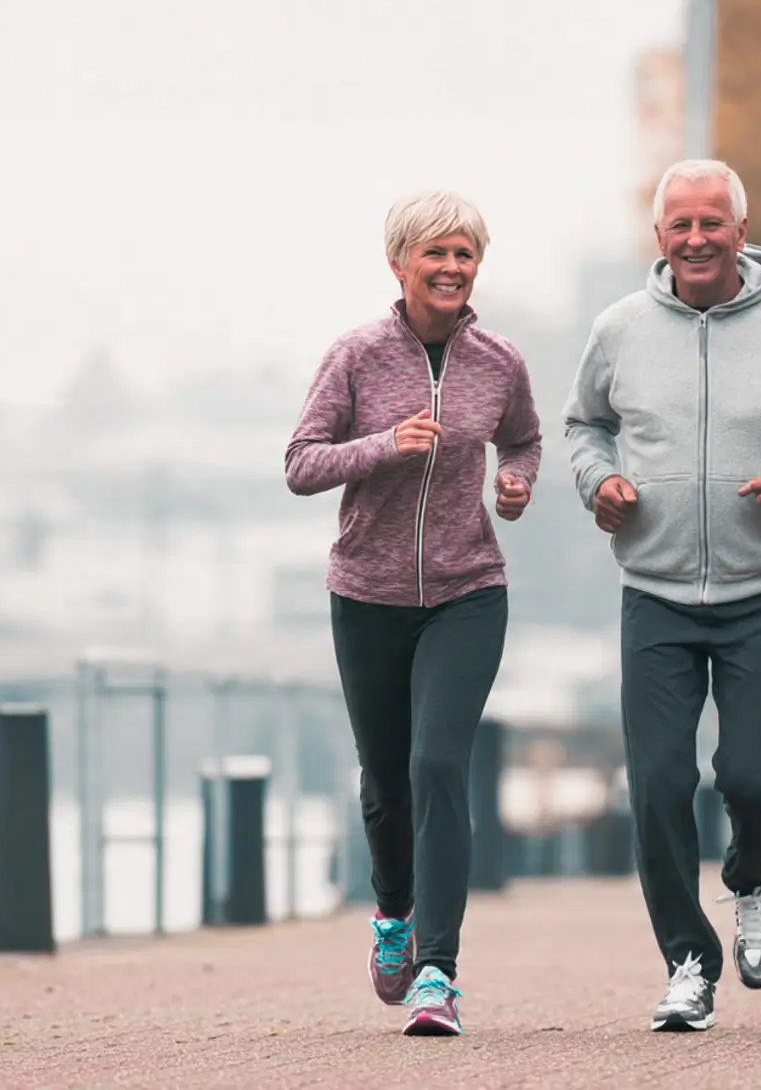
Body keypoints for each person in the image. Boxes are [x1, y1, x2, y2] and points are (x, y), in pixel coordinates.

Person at [563, 158, 761, 1032]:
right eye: (683, 226)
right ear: (661, 237)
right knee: (660, 783)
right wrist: (599, 482)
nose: (698, 239)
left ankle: (754, 883)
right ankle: (686, 960)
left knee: (748, 777)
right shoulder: (621, 329)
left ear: (742, 232)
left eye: (714, 223)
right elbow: (583, 424)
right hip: (657, 591)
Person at [285, 189, 542, 1037]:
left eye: (465, 255)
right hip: (367, 594)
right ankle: (392, 914)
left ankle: (438, 973)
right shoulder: (357, 356)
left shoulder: (498, 360)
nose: (452, 269)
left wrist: (515, 484)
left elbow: (525, 437)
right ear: (400, 264)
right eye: (436, 254)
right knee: (387, 785)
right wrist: (384, 445)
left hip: (469, 593)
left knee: (439, 767)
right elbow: (301, 462)